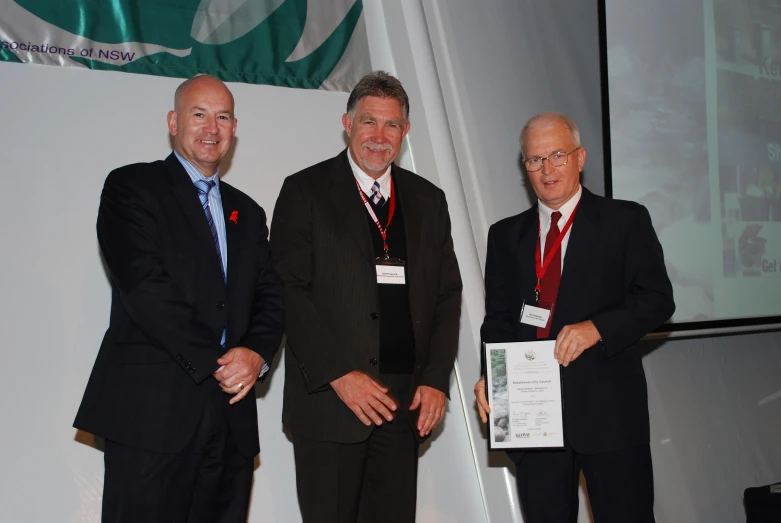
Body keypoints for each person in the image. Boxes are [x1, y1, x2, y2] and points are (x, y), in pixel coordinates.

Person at [73, 74, 284, 522]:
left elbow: (271, 296)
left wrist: (256, 356)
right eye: (199, 114)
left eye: (222, 117)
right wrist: (220, 361)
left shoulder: (247, 212)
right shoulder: (132, 188)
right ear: (174, 122)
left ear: (234, 128)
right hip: (154, 416)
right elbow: (145, 289)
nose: (212, 127)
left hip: (231, 424)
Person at [270, 71, 462, 523]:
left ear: (406, 131)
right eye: (369, 122)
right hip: (331, 406)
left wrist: (435, 379)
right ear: (347, 124)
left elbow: (448, 295)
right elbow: (287, 290)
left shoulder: (428, 201)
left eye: (391, 125)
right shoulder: (304, 191)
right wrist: (339, 375)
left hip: (403, 410)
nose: (380, 137)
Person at [474, 112, 675, 523]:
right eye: (535, 160)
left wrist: (598, 328)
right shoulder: (505, 235)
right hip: (533, 421)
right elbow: (497, 319)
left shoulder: (625, 220)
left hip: (609, 417)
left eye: (558, 155)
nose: (547, 170)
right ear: (524, 167)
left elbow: (657, 299)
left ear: (580, 158)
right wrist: (493, 376)